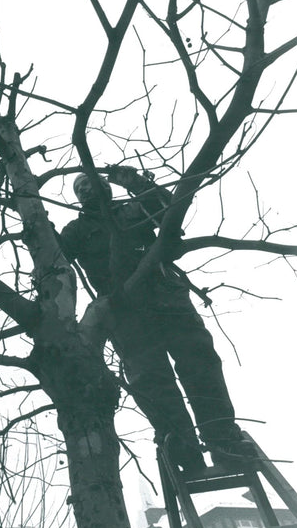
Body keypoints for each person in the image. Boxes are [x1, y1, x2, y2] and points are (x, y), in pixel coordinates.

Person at [58, 166, 255, 473]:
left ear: (106, 186)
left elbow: (169, 213)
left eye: (89, 182)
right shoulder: (75, 231)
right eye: (78, 188)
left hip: (168, 298)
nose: (85, 190)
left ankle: (222, 439)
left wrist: (137, 183)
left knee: (200, 365)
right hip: (125, 314)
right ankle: (181, 445)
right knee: (150, 379)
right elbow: (54, 260)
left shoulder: (134, 208)